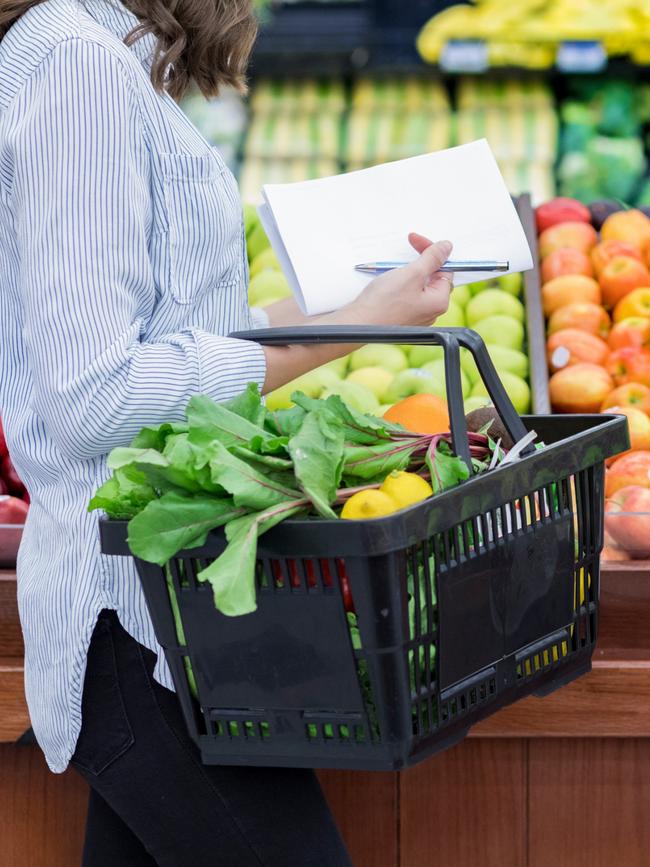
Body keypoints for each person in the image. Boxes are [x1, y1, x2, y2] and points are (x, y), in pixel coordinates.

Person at [0, 0, 453, 863]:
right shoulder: (75, 64)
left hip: (178, 619)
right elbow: (96, 394)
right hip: (136, 625)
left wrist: (357, 311)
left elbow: (165, 341)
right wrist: (342, 331)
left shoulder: (97, 55)